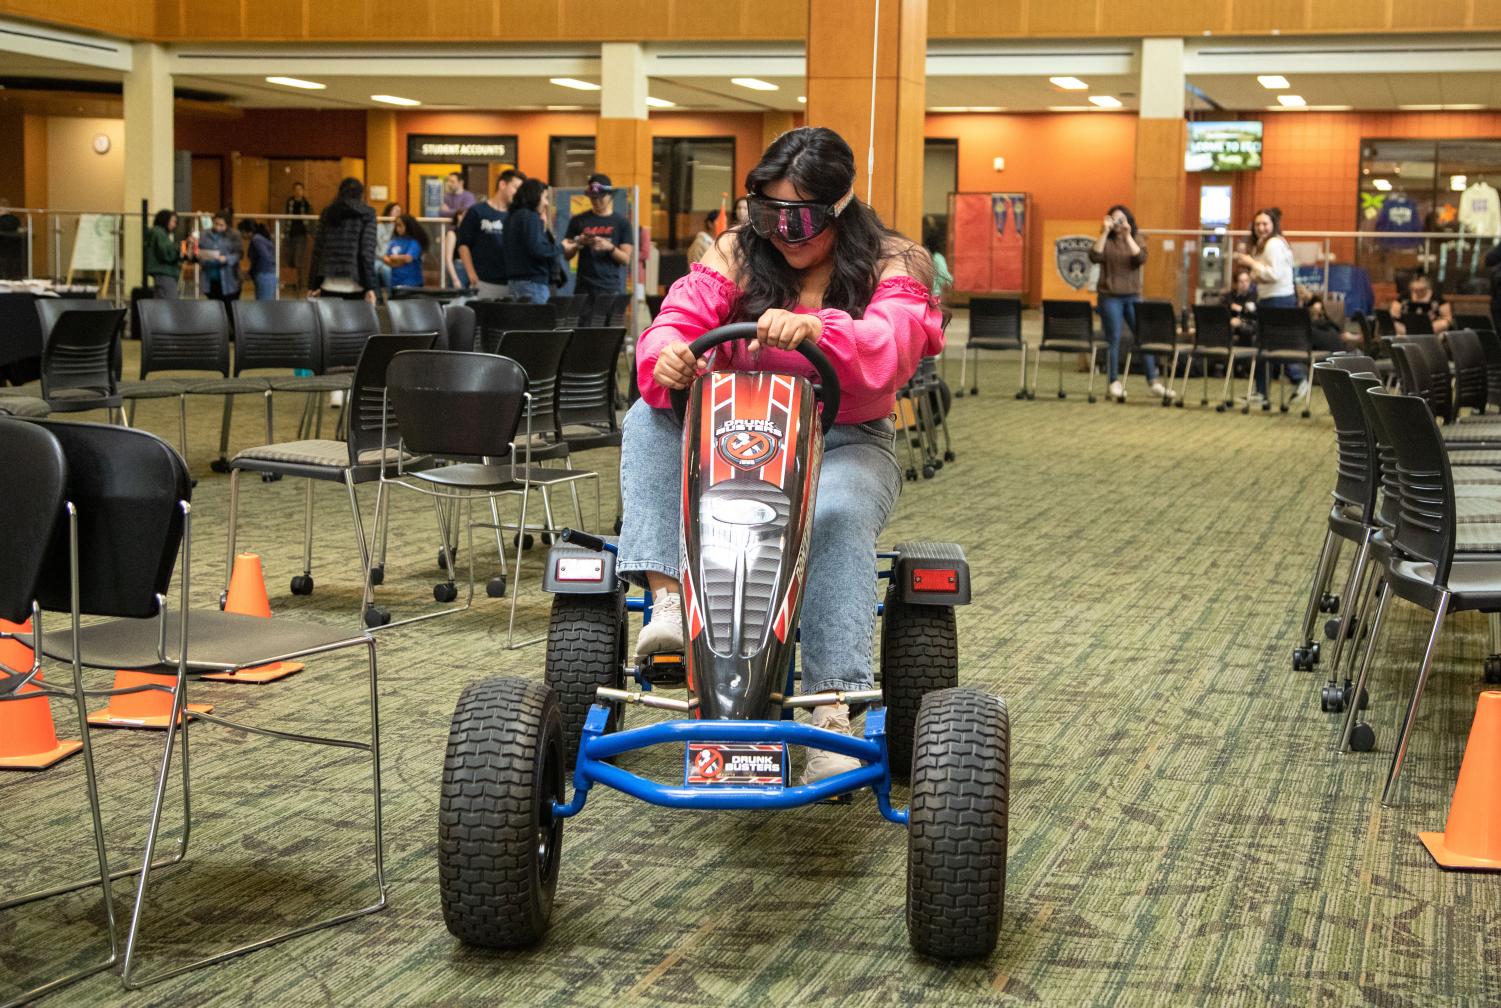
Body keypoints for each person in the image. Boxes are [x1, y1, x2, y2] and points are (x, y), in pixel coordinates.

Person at [622, 126, 941, 785]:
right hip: (733, 433)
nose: (784, 234)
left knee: (835, 513)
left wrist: (819, 326)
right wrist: (671, 354)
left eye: (801, 218)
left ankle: (831, 704)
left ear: (840, 207)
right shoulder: (736, 253)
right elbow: (675, 320)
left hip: (844, 440)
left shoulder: (895, 260)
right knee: (648, 414)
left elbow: (892, 344)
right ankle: (669, 605)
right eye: (768, 215)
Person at [1089, 204, 1165, 402]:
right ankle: (1113, 381)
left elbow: (1140, 258)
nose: (1117, 223)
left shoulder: (1137, 238)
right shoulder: (1106, 240)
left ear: (1129, 221)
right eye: (1114, 219)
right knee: (1113, 337)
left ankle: (1153, 382)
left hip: (1132, 296)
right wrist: (1105, 232)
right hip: (1110, 296)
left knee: (1143, 336)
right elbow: (1094, 256)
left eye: (1121, 219)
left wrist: (1128, 234)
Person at [1234, 207, 1306, 405]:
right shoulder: (1264, 243)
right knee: (1263, 346)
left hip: (1278, 300)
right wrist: (1256, 270)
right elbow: (1263, 276)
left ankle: (1299, 378)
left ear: (1273, 225)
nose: (1261, 227)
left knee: (1276, 344)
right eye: (1257, 224)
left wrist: (1250, 262)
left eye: (1265, 223)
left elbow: (1272, 275)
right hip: (1270, 299)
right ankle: (1262, 392)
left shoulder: (1273, 243)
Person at [562, 173, 633, 300]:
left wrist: (610, 248)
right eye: (593, 198)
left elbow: (626, 259)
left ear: (610, 195)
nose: (596, 201)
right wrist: (579, 243)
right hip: (584, 286)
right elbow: (567, 254)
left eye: (601, 197)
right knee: (582, 320)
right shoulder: (578, 220)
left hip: (609, 287)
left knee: (608, 320)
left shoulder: (621, 222)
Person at [457, 168, 525, 299]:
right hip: (483, 281)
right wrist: (471, 274)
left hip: (511, 283)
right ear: (502, 184)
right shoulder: (477, 211)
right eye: (515, 187)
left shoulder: (517, 215)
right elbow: (463, 244)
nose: (518, 193)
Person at [309, 177, 378, 303]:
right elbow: (366, 252)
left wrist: (313, 284)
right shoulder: (368, 214)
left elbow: (318, 251)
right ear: (361, 194)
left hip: (329, 283)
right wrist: (371, 287)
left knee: (330, 323)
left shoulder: (328, 212)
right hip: (356, 284)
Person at [500, 178, 558, 304]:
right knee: (537, 323)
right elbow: (538, 249)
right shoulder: (530, 217)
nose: (547, 203)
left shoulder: (510, 217)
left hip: (514, 283)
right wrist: (562, 248)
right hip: (533, 284)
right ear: (535, 196)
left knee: (522, 322)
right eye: (545, 197)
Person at [197, 209, 243, 314]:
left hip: (229, 279)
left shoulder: (234, 235)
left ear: (227, 225)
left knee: (231, 310)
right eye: (216, 224)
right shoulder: (204, 234)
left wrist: (227, 258)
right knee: (215, 310)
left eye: (221, 225)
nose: (218, 227)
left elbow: (239, 254)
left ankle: (233, 330)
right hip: (210, 278)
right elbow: (198, 252)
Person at [383, 214, 429, 291]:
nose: (398, 228)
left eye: (400, 226)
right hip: (395, 282)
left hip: (412, 283)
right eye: (396, 226)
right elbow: (385, 257)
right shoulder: (394, 241)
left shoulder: (414, 242)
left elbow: (408, 258)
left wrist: (394, 258)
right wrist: (396, 262)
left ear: (408, 226)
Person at [145, 208, 182, 299]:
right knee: (169, 303)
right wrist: (180, 249)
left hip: (162, 274)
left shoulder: (158, 233)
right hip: (165, 274)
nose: (174, 225)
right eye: (173, 221)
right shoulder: (159, 233)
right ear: (166, 220)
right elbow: (167, 253)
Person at [239, 218, 278, 300]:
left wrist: (252, 270)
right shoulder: (261, 237)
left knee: (263, 305)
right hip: (267, 274)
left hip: (264, 274)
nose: (241, 235)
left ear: (247, 231)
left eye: (242, 232)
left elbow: (265, 256)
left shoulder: (256, 239)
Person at [285, 181, 312, 291]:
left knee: (298, 260)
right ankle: (292, 283)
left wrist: (309, 232)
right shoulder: (290, 202)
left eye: (300, 189)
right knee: (290, 260)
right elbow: (285, 217)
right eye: (296, 189)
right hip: (290, 234)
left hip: (301, 235)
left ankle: (300, 284)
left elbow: (309, 219)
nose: (298, 191)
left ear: (303, 191)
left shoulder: (305, 203)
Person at [373, 201, 402, 299]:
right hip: (380, 257)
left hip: (394, 258)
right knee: (375, 267)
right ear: (389, 212)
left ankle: (391, 296)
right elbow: (376, 247)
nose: (398, 213)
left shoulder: (399, 228)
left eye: (399, 211)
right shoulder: (380, 227)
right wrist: (384, 257)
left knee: (386, 270)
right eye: (396, 211)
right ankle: (378, 297)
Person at [1223, 269, 1258, 345]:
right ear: (1236, 283)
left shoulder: (1254, 296)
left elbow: (1253, 314)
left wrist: (1239, 309)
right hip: (1230, 325)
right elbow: (1224, 309)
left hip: (1248, 325)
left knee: (1245, 329)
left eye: (1246, 281)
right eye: (1241, 281)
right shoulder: (1229, 296)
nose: (1244, 284)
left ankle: (1244, 355)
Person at [922, 216, 952, 300]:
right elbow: (944, 277)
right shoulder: (938, 258)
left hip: (921, 292)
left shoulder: (921, 254)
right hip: (934, 294)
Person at [445, 209, 470, 290]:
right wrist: (455, 279)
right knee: (458, 297)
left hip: (469, 267)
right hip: (458, 267)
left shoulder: (469, 234)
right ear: (459, 217)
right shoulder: (452, 233)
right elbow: (448, 259)